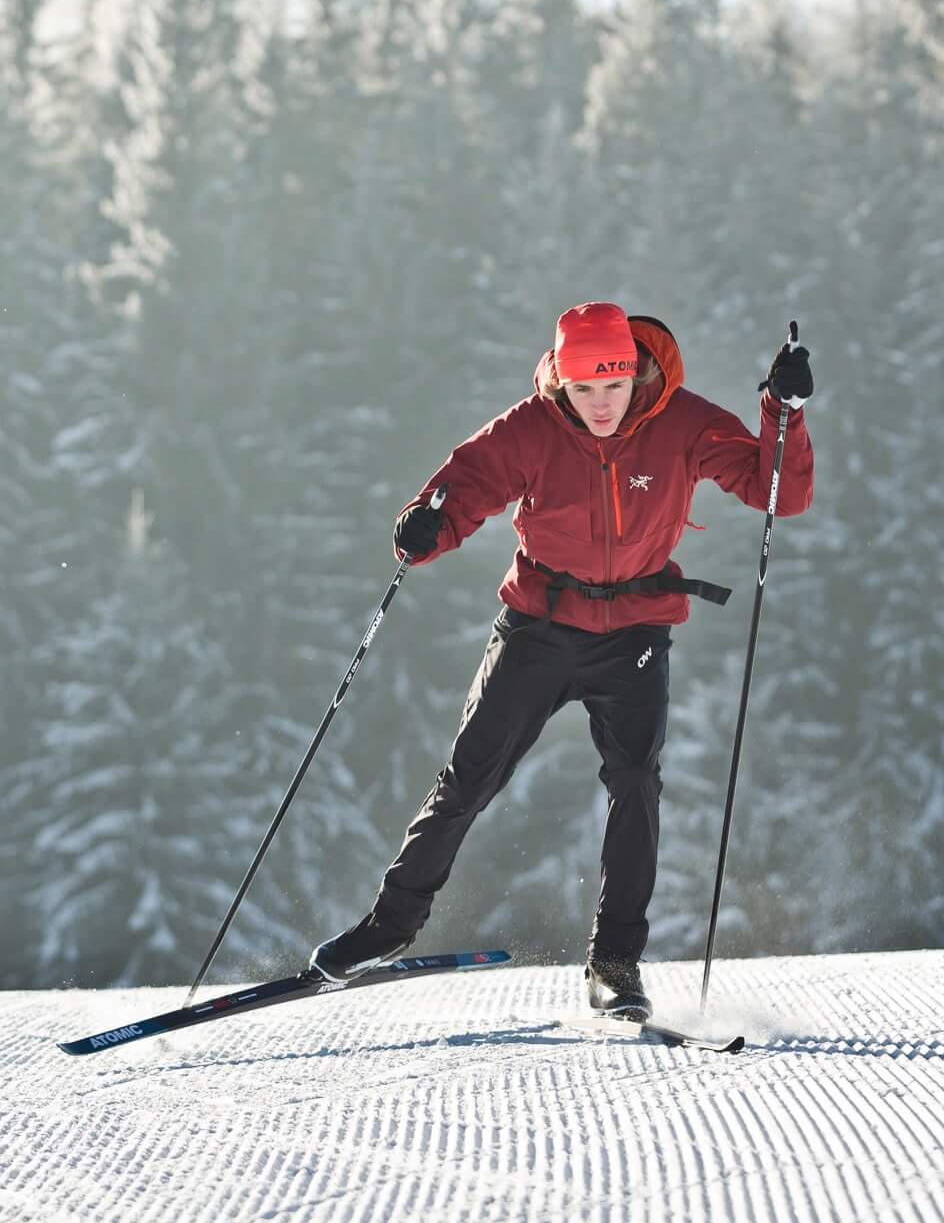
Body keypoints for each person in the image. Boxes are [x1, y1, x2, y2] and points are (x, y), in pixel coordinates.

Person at [309, 302, 815, 1020]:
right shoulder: (529, 429)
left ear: (636, 374)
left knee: (636, 783)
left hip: (634, 631)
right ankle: (387, 929)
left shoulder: (682, 422)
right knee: (469, 777)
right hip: (539, 628)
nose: (601, 404)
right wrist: (424, 527)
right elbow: (461, 490)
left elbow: (779, 493)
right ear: (559, 384)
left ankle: (614, 966)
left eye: (613, 387)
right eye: (584, 390)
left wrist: (780, 412)